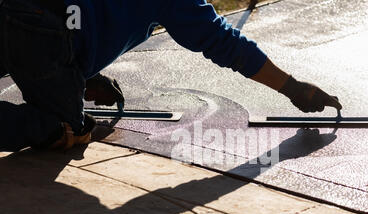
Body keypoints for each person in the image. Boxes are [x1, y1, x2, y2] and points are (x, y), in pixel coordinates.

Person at [0, 0, 342, 152]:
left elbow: (87, 13)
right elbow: (221, 40)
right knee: (68, 131)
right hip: (40, 26)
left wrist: (84, 74)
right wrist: (291, 87)